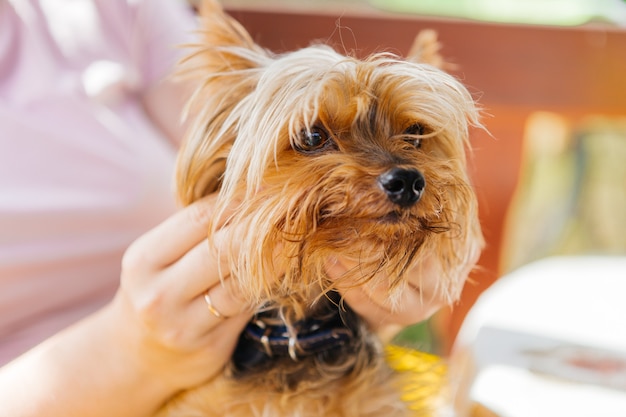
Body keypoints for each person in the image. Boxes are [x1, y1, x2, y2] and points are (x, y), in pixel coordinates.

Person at [0, 1, 459, 416]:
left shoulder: (106, 9)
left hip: (297, 335)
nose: (397, 172)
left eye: (414, 137)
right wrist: (133, 351)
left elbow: (239, 146)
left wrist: (405, 283)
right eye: (314, 138)